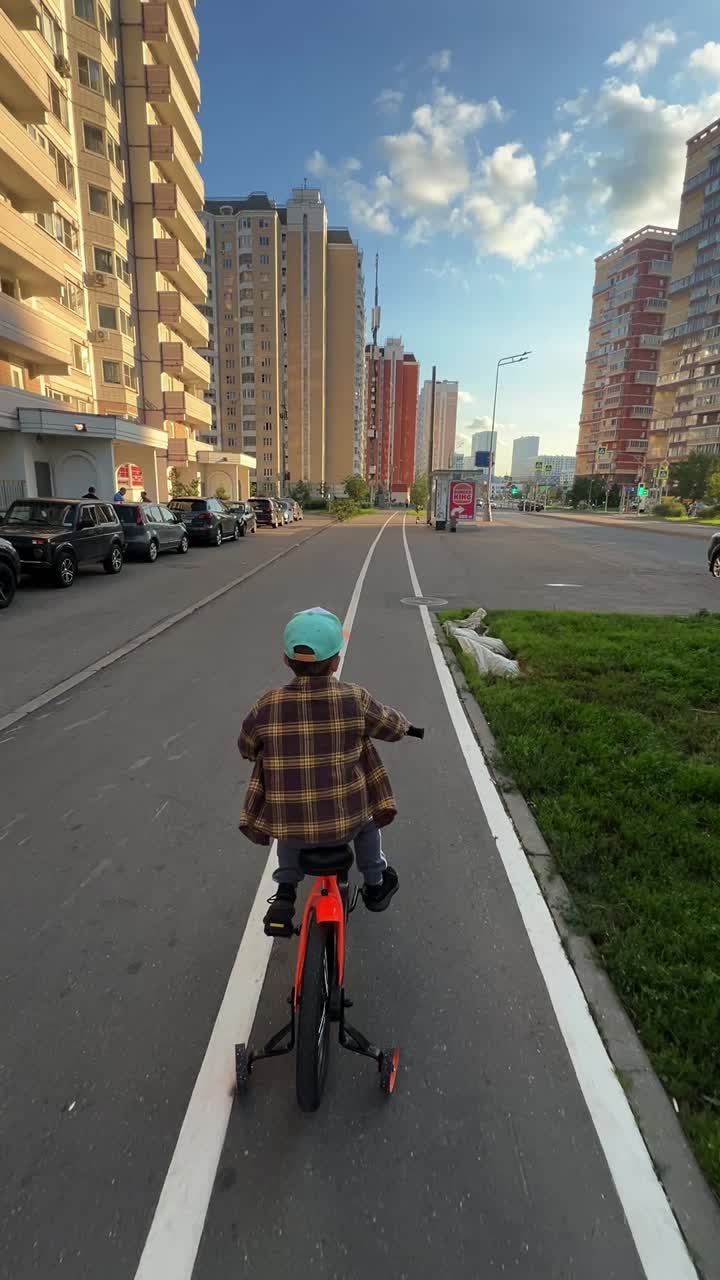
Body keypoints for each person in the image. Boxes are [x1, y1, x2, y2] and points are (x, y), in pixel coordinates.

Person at [238, 607, 410, 936]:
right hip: (346, 823)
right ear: (335, 663)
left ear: (286, 660)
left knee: (289, 825)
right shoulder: (354, 699)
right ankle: (374, 882)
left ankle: (286, 890)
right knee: (367, 823)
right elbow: (390, 726)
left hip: (291, 824)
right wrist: (406, 727)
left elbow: (246, 746)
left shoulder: (267, 705)